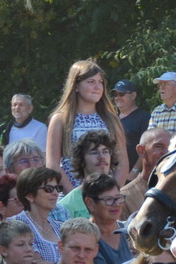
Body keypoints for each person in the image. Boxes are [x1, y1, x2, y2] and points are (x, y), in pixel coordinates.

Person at [46, 60, 129, 189]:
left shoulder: (111, 119)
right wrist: (75, 196)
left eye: (100, 82)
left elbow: (122, 161)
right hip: (72, 194)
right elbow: (52, 164)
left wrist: (113, 192)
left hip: (106, 194)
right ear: (76, 86)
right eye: (91, 82)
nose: (97, 87)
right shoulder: (61, 119)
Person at [57, 130, 117, 221]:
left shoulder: (120, 200)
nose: (102, 157)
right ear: (81, 160)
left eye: (105, 152)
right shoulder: (66, 206)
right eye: (94, 152)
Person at [80, 174, 132, 264]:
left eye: (118, 198)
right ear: (90, 203)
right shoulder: (83, 238)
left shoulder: (131, 232)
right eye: (109, 199)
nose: (116, 204)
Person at [14, 167, 66, 264]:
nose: (55, 193)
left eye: (57, 188)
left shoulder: (60, 227)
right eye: (49, 189)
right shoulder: (17, 225)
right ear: (30, 196)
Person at [119, 125, 172, 217]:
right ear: (141, 150)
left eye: (172, 147)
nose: (167, 152)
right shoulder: (125, 197)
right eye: (158, 146)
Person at [110, 80, 151, 171]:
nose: (117, 97)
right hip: (111, 174)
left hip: (132, 176)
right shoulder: (112, 118)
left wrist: (135, 170)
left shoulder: (144, 117)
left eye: (121, 94)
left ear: (133, 95)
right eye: (115, 95)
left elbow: (146, 147)